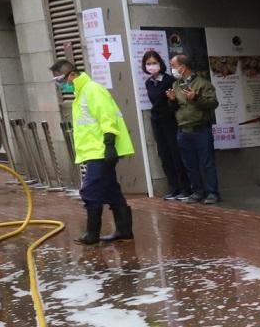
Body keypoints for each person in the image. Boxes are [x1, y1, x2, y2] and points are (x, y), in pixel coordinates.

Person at [51, 58, 134, 244]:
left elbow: (107, 117)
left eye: (60, 81)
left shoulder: (92, 89)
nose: (60, 85)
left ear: (72, 74)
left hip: (102, 150)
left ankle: (92, 234)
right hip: (95, 151)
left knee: (90, 190)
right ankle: (124, 231)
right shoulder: (80, 94)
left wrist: (110, 144)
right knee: (111, 190)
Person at [169, 53, 218, 205]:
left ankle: (212, 193)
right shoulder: (176, 85)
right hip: (183, 130)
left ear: (182, 68)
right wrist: (171, 100)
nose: (172, 70)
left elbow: (213, 104)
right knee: (189, 164)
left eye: (173, 66)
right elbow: (175, 108)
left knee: (207, 162)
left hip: (200, 129)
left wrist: (196, 98)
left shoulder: (203, 84)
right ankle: (197, 191)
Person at [142, 50, 189, 200]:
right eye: (148, 64)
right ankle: (173, 187)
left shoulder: (169, 80)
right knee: (164, 154)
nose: (151, 66)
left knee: (176, 153)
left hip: (170, 120)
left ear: (160, 64)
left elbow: (175, 102)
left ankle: (185, 188)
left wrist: (172, 101)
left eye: (154, 63)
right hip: (156, 121)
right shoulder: (148, 82)